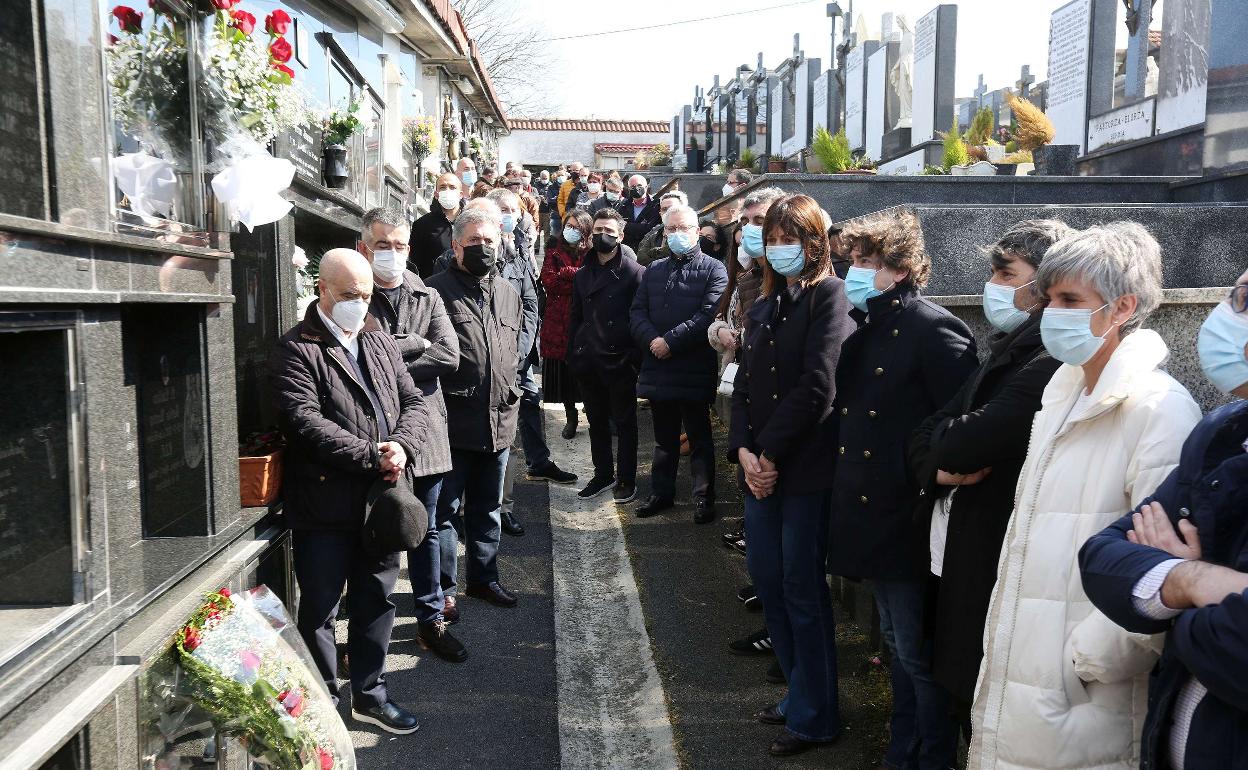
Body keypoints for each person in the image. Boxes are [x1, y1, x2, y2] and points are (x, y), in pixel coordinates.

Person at [969, 223, 1202, 770]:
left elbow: (1161, 566)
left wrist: (1084, 659)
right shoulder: (1065, 390)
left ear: (1122, 307)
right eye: (1050, 298)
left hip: (1087, 697)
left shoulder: (1158, 410)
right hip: (1027, 674)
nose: (1053, 311)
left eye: (1070, 299)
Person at [906, 220, 1071, 736]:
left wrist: (941, 446)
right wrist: (938, 458)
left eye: (1007, 274)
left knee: (976, 693)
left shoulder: (1043, 363)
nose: (995, 286)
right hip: (957, 541)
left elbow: (958, 439)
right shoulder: (1005, 347)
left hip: (992, 546)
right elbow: (925, 434)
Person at [827, 209, 979, 770]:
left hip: (906, 515)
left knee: (916, 652)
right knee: (893, 641)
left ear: (903, 268)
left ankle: (929, 756)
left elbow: (956, 420)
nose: (855, 273)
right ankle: (902, 745)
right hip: (870, 510)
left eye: (866, 263)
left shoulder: (933, 328)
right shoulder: (869, 328)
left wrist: (921, 473)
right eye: (852, 263)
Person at [1079, 270, 1248, 770]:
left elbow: (1232, 645)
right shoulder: (1225, 431)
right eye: (1235, 295)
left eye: (1244, 300)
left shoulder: (1163, 404)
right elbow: (1103, 554)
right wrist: (1194, 578)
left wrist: (1180, 605)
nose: (1229, 314)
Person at [270, 248, 425, 734]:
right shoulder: (297, 348)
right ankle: (323, 709)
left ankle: (371, 694)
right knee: (319, 607)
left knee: (377, 599)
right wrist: (370, 453)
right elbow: (304, 422)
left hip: (382, 500)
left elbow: (413, 400)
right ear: (322, 290)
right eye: (348, 296)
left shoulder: (377, 338)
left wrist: (402, 445)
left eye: (365, 295)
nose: (358, 304)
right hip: (326, 504)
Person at [726, 194, 855, 757]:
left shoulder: (831, 296)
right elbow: (744, 385)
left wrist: (770, 454)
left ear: (815, 242)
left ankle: (817, 712)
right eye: (771, 238)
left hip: (802, 470)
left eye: (789, 238)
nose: (777, 248)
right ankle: (797, 691)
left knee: (803, 590)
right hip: (761, 469)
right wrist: (743, 452)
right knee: (769, 583)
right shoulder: (766, 303)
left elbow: (818, 385)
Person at [355, 207, 466, 664]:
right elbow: (352, 355)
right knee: (375, 532)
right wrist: (413, 344)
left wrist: (391, 352)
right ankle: (366, 631)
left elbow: (450, 357)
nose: (393, 254)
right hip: (375, 431)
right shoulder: (354, 296)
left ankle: (429, 617)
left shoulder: (427, 295)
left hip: (428, 432)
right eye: (383, 245)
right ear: (364, 248)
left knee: (430, 526)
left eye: (400, 245)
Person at [426, 208, 525, 610]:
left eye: (490, 241)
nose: (484, 248)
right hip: (454, 422)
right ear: (455, 246)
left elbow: (514, 343)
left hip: (499, 419)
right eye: (474, 242)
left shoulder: (507, 290)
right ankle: (444, 591)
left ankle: (484, 578)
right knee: (445, 513)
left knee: (488, 507)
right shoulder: (433, 291)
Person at [487, 188, 577, 537]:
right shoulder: (482, 253)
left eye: (514, 209)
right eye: (503, 209)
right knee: (496, 429)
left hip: (518, 356)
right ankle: (489, 505)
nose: (509, 215)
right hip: (488, 360)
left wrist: (521, 352)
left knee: (527, 407)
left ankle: (536, 464)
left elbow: (529, 304)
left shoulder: (519, 252)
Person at [630, 203, 728, 522]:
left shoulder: (714, 269)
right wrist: (652, 341)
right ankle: (662, 492)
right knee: (664, 437)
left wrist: (670, 341)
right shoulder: (655, 270)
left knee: (699, 436)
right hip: (659, 366)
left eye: (683, 228)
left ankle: (703, 497)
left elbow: (707, 315)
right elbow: (637, 312)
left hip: (693, 364)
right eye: (670, 229)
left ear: (697, 232)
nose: (676, 234)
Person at [568, 208, 646, 503]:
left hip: (620, 360)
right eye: (598, 230)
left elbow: (639, 318)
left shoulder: (634, 272)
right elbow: (575, 317)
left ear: (621, 236)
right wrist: (573, 354)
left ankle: (626, 478)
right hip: (589, 360)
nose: (604, 236)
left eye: (610, 231)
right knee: (597, 422)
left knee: (625, 423)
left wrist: (633, 358)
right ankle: (603, 475)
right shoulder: (582, 274)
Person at [540, 209, 591, 439]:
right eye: (567, 226)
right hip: (557, 321)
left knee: (588, 373)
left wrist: (567, 274)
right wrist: (576, 275)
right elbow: (549, 281)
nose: (570, 231)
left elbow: (590, 282)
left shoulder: (592, 253)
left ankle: (593, 413)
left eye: (576, 227)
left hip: (586, 320)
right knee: (565, 374)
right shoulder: (553, 250)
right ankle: (571, 417)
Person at [410, 172, 462, 278]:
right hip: (433, 288)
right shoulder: (422, 225)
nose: (447, 190)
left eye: (452, 187)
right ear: (436, 194)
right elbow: (415, 265)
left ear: (460, 194)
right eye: (443, 187)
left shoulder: (470, 223)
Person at [636, 190, 688, 267]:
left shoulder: (688, 231)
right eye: (664, 209)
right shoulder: (655, 231)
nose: (668, 212)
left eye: (672, 208)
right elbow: (641, 257)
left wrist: (653, 253)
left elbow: (674, 257)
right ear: (660, 213)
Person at [622, 174, 662, 251]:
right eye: (632, 186)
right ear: (629, 188)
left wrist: (626, 225)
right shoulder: (624, 205)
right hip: (628, 249)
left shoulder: (656, 205)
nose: (636, 188)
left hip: (648, 250)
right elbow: (619, 226)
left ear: (646, 187)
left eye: (639, 185)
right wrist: (641, 226)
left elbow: (650, 229)